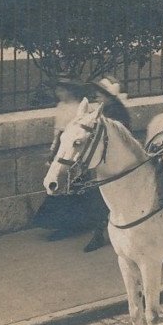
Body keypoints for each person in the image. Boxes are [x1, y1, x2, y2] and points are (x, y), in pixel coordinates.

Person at [33, 77, 102, 242]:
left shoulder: (80, 108)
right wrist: (53, 152)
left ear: (71, 91)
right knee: (63, 187)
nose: (58, 93)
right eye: (58, 90)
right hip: (62, 148)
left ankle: (73, 224)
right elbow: (58, 133)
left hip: (74, 152)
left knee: (72, 189)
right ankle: (72, 223)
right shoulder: (61, 106)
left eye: (62, 90)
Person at [82, 76, 133, 252]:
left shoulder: (114, 111)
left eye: (101, 92)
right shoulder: (108, 109)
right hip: (109, 161)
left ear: (109, 96)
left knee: (101, 198)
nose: (96, 95)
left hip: (115, 163)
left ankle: (99, 235)